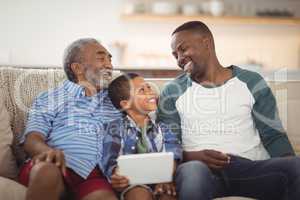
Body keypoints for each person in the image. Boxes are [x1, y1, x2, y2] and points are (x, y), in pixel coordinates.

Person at [157, 21, 300, 200]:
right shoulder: (172, 91)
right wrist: (193, 157)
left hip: (249, 170)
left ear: (206, 43)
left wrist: (289, 164)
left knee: (296, 167)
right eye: (175, 55)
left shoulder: (251, 82)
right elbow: (167, 142)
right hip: (200, 170)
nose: (179, 58)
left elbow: (273, 135)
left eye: (183, 49)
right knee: (193, 173)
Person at [19, 38, 122, 200]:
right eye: (101, 58)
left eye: (110, 59)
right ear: (78, 68)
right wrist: (48, 152)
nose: (109, 65)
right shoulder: (51, 97)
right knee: (47, 172)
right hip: (55, 165)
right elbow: (32, 139)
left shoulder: (116, 100)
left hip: (93, 174)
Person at [103, 73, 182, 200]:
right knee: (139, 195)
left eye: (149, 87)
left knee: (167, 195)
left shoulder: (163, 128)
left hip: (162, 178)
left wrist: (166, 178)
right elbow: (110, 160)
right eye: (142, 90)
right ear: (125, 104)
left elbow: (174, 154)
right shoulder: (114, 129)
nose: (150, 92)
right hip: (132, 184)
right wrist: (116, 176)